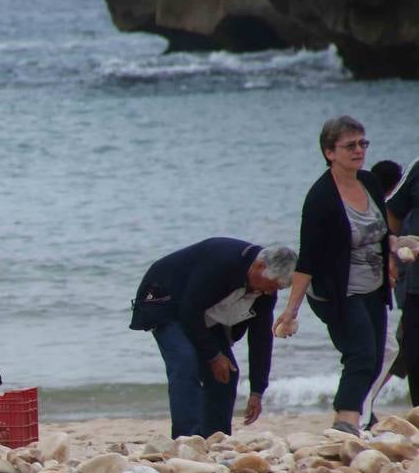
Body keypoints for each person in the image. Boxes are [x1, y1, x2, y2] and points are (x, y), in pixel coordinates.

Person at [274, 116, 396, 437]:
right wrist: (290, 311)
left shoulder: (368, 183)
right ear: (330, 152)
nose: (359, 150)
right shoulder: (321, 199)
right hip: (337, 292)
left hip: (374, 287)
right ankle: (346, 422)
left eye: (363, 143)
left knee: (377, 356)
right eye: (350, 145)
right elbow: (308, 259)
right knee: (360, 353)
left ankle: (358, 417)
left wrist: (393, 261)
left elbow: (380, 233)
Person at [131, 239, 296, 438]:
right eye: (272, 286)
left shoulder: (266, 289)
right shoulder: (222, 263)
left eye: (277, 289)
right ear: (260, 267)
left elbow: (260, 339)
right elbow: (189, 311)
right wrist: (214, 355)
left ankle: (216, 438)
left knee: (227, 373)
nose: (270, 292)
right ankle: (187, 438)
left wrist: (257, 391)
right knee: (185, 362)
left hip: (203, 311)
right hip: (164, 300)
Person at [385, 159, 419, 405]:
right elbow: (392, 212)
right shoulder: (417, 168)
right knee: (412, 351)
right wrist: (390, 256)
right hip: (415, 286)